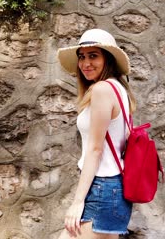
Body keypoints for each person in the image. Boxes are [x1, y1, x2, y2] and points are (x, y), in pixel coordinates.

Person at [57, 29, 137, 239]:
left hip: (102, 188)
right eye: (82, 56)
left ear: (107, 59)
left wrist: (77, 202)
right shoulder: (119, 89)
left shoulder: (102, 89)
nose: (85, 63)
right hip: (113, 188)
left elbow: (95, 149)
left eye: (94, 56)